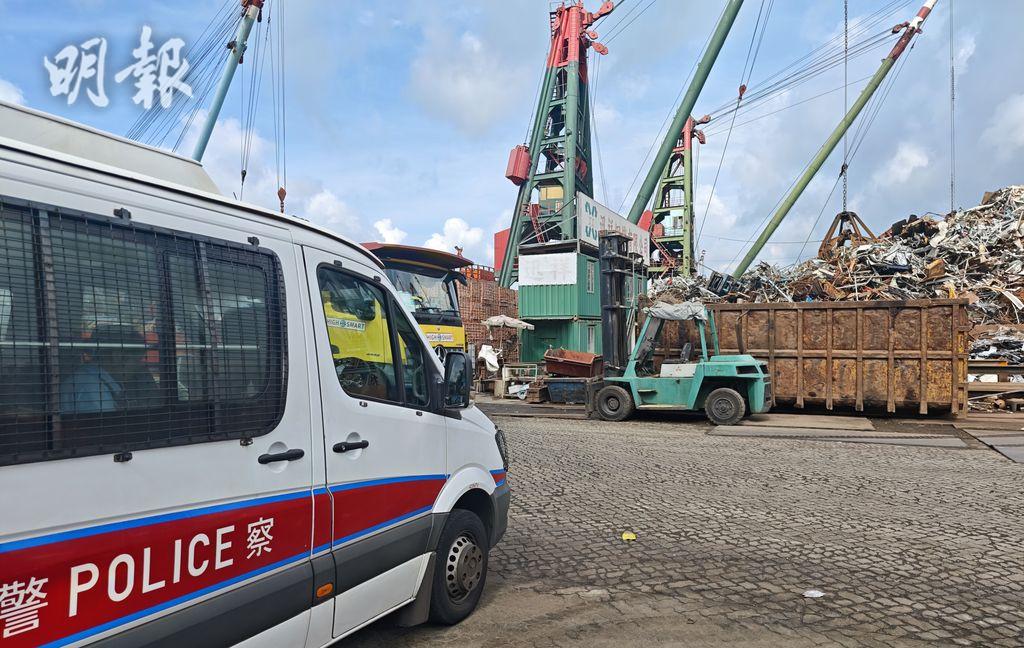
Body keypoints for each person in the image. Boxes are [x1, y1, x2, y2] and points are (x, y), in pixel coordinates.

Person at [59, 325, 161, 415]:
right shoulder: (92, 390)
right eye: (137, 360)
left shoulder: (97, 382)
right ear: (118, 356)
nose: (139, 366)